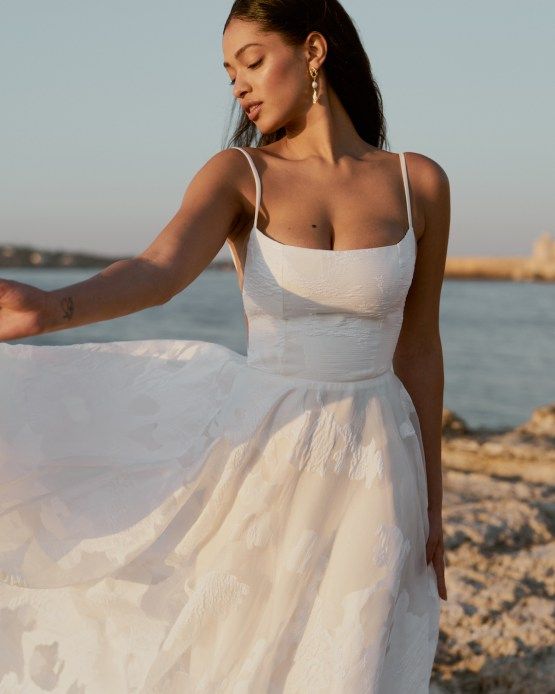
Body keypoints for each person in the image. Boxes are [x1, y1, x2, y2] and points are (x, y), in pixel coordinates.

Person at [0, 0, 450, 691]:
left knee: (348, 660)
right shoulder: (240, 173)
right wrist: (48, 309)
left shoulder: (416, 182)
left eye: (252, 61)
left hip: (378, 461)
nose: (236, 85)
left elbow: (418, 347)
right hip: (264, 450)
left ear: (313, 52)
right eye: (227, 71)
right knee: (243, 658)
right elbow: (157, 271)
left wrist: (434, 506)